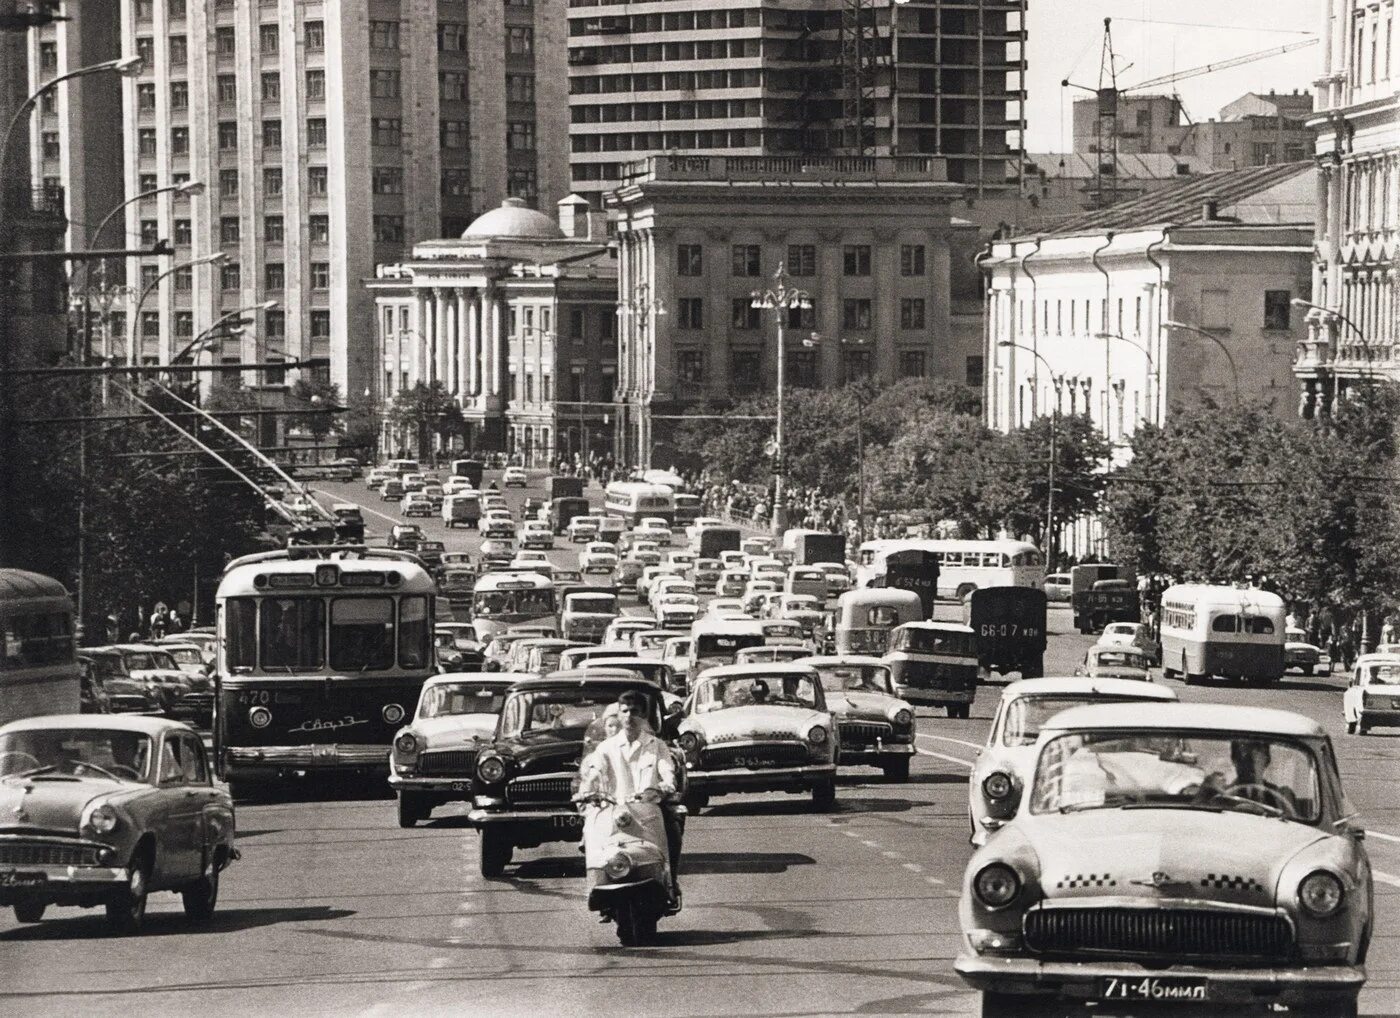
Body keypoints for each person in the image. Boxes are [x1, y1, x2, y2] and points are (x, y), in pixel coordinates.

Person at [577, 690, 682, 907]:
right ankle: (596, 885)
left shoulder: (656, 745)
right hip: (613, 810)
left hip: (648, 808)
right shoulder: (607, 747)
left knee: (673, 831)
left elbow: (666, 769)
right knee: (590, 832)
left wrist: (665, 785)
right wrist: (589, 785)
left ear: (643, 714)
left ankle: (670, 883)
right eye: (624, 711)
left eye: (634, 711)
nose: (628, 716)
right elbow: (596, 767)